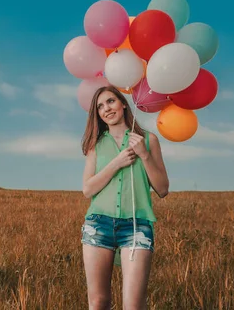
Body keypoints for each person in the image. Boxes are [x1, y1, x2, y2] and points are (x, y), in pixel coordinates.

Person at [80, 85, 169, 310]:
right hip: (98, 224)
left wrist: (144, 155)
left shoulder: (149, 140)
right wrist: (116, 163)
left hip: (137, 226)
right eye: (100, 106)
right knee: (99, 302)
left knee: (133, 305)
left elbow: (162, 188)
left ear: (123, 104)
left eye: (110, 101)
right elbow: (88, 189)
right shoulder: (95, 146)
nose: (106, 109)